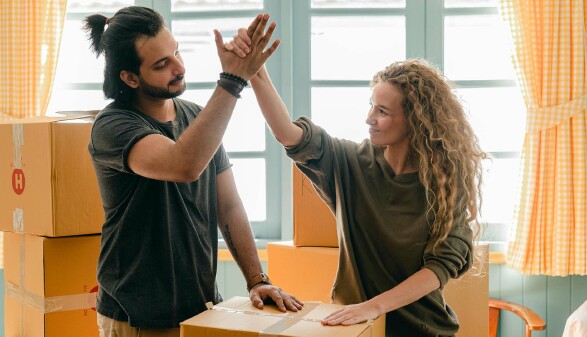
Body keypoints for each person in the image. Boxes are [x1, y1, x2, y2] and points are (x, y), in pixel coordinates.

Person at [226, 18, 486, 337]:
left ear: (415, 120)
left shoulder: (443, 183)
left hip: (422, 330)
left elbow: (440, 267)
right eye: (371, 106)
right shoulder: (349, 163)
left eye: (382, 112)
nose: (369, 119)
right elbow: (290, 135)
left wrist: (374, 305)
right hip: (353, 327)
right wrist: (256, 73)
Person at [83, 7, 302, 337]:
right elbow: (182, 165)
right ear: (130, 77)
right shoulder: (113, 126)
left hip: (201, 309)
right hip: (137, 316)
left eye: (176, 52)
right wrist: (233, 80)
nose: (179, 67)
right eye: (162, 64)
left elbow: (228, 206)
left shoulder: (197, 117)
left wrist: (257, 280)